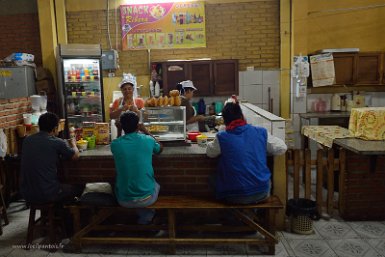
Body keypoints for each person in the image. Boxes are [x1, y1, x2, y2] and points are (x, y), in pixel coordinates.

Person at [206, 102, 287, 204]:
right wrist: (260, 148)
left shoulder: (222, 136)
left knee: (212, 179)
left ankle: (233, 218)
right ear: (242, 116)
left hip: (233, 196)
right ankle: (249, 215)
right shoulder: (261, 132)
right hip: (261, 192)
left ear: (225, 121)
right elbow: (282, 147)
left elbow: (210, 153)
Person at [110, 111, 163, 225]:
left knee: (128, 183)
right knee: (155, 184)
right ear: (138, 125)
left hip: (123, 199)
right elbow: (160, 149)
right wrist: (145, 130)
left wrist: (119, 130)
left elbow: (117, 141)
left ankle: (143, 218)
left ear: (121, 126)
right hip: (147, 199)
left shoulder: (115, 144)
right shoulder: (147, 140)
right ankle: (147, 218)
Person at [20, 112, 82, 204]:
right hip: (47, 193)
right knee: (79, 188)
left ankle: (52, 216)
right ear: (55, 129)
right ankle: (65, 216)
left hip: (27, 194)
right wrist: (73, 144)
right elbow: (75, 156)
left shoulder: (27, 140)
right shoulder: (57, 142)